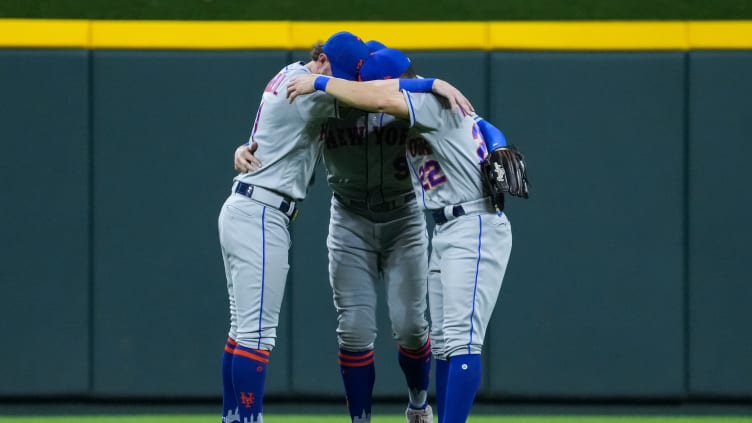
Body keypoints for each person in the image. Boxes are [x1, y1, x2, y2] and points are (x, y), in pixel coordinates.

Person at [233, 40, 477, 423]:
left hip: (404, 217)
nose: (380, 82)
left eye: (391, 78)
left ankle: (417, 404)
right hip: (349, 218)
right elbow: (285, 132)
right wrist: (248, 148)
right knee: (354, 330)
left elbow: (452, 127)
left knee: (412, 328)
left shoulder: (407, 103)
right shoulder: (334, 96)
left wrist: (430, 86)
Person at [286, 48, 514, 423]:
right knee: (444, 343)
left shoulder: (421, 102)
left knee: (460, 339)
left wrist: (321, 81)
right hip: (446, 225)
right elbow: (480, 121)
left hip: (473, 222)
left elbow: (382, 95)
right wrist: (496, 140)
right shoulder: (427, 100)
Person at [217, 31, 372, 423]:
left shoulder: (291, 72)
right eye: (335, 73)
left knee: (241, 332)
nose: (339, 83)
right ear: (320, 61)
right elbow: (372, 99)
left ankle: (233, 418)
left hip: (247, 206)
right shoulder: (308, 90)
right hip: (262, 213)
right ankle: (249, 420)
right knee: (256, 337)